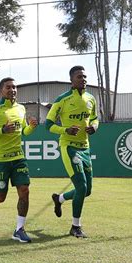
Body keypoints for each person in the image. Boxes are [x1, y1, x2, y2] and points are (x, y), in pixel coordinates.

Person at [0, 77, 38, 243]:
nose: (12, 90)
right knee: (1, 197)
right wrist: (2, 130)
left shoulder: (21, 108)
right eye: (8, 87)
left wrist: (31, 127)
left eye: (14, 87)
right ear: (1, 91)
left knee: (24, 191)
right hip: (0, 160)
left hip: (18, 157)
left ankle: (19, 229)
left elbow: (24, 132)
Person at [45, 65, 99, 238]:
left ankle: (59, 199)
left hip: (85, 147)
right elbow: (48, 124)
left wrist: (94, 127)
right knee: (81, 186)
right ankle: (76, 226)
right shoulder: (62, 99)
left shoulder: (91, 98)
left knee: (87, 190)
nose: (83, 79)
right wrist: (65, 130)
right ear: (71, 80)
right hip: (69, 147)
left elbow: (95, 118)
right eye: (79, 77)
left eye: (84, 76)